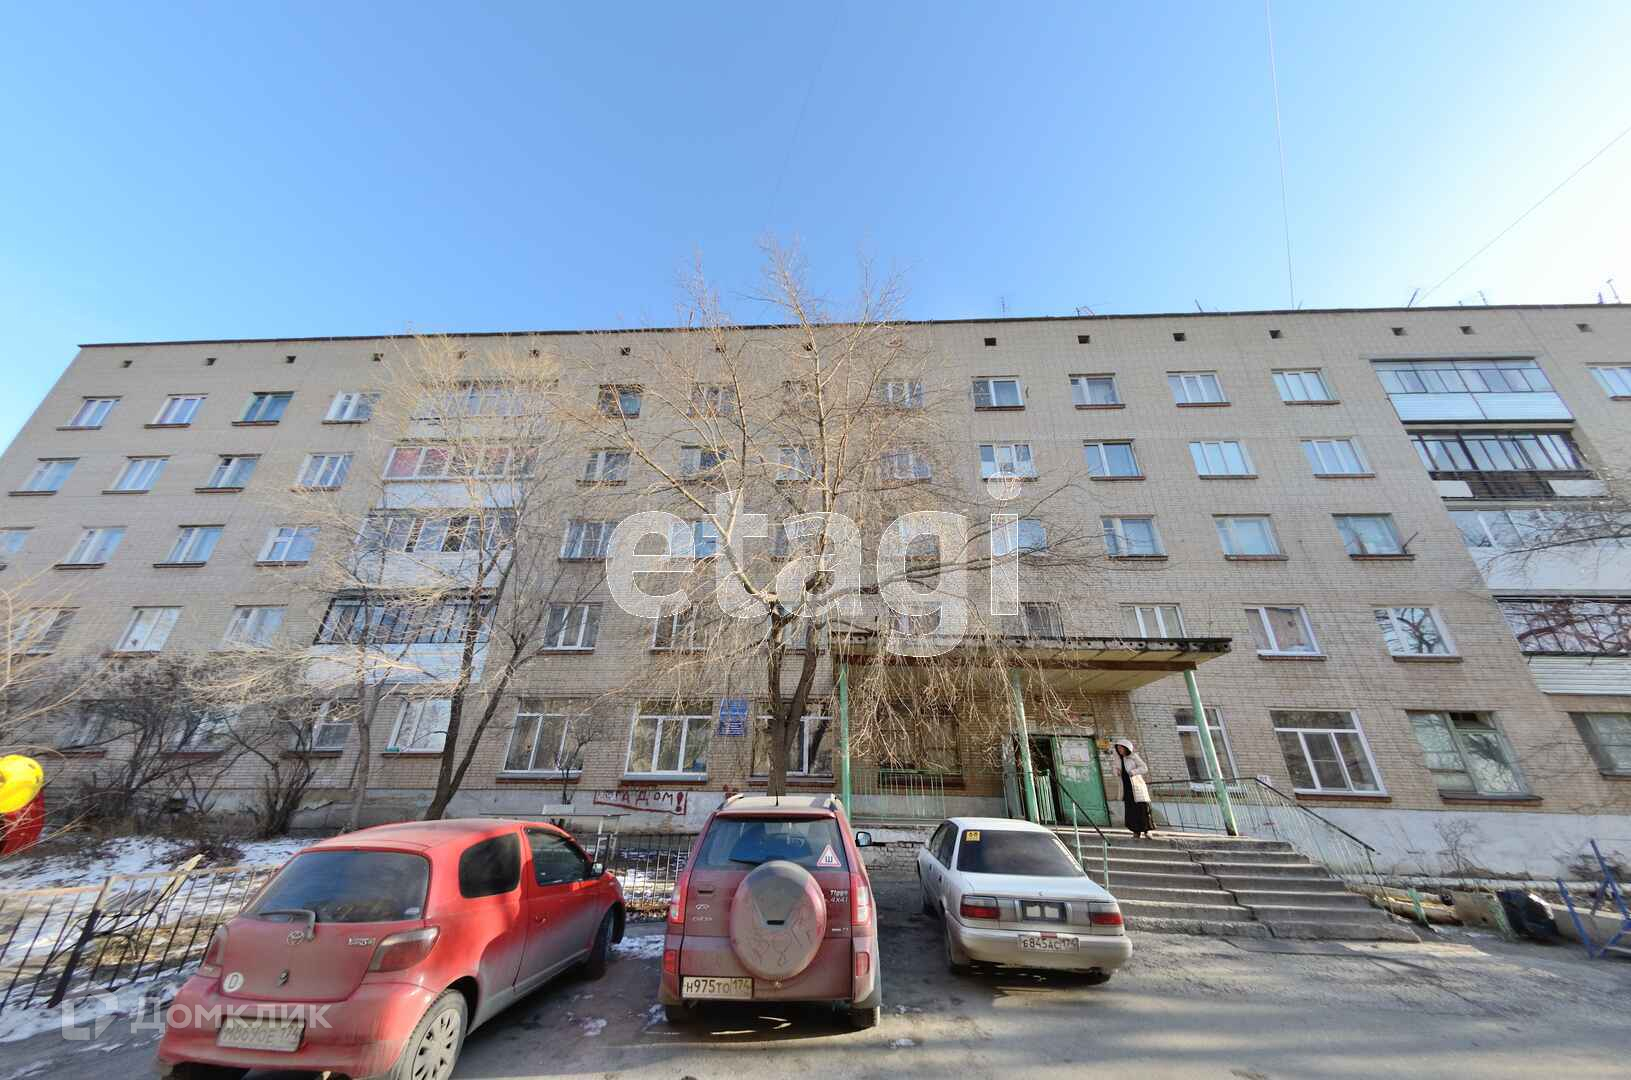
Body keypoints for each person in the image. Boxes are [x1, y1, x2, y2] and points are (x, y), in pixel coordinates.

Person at [1112, 738, 1153, 839]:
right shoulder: (1117, 760)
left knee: (1142, 809)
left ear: (1126, 748)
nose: (1119, 750)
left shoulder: (1133, 757)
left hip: (1137, 787)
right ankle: (1136, 832)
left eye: (1121, 748)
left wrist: (1133, 772)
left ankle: (1147, 831)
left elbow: (1144, 768)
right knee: (1131, 811)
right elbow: (1115, 770)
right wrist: (1116, 772)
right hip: (1126, 788)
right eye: (1118, 748)